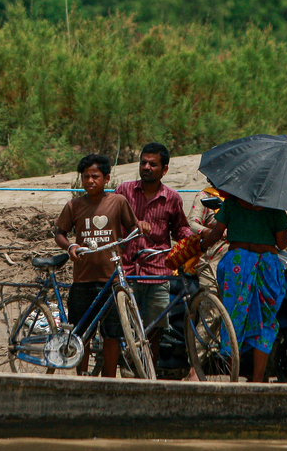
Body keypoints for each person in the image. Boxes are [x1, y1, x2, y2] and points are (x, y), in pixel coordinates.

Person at [54, 153, 139, 377]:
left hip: (110, 279)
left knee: (112, 334)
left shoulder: (118, 202)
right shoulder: (74, 205)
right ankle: (82, 378)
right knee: (82, 334)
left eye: (95, 176)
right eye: (85, 177)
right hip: (82, 278)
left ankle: (109, 381)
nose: (90, 181)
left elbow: (132, 228)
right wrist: (70, 247)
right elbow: (60, 233)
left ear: (107, 178)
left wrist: (129, 246)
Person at [196, 192, 287, 383]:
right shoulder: (275, 206)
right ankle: (257, 379)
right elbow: (282, 243)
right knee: (265, 321)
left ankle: (233, 376)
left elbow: (215, 234)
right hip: (267, 267)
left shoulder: (230, 204)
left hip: (236, 266)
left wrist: (200, 246)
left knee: (233, 318)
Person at [115, 142, 193, 358]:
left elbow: (180, 229)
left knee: (155, 328)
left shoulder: (172, 198)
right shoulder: (123, 192)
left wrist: (194, 239)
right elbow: (110, 220)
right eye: (144, 163)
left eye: (153, 164)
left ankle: (150, 374)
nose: (147, 167)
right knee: (120, 326)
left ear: (164, 169)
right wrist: (133, 225)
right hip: (127, 270)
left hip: (157, 273)